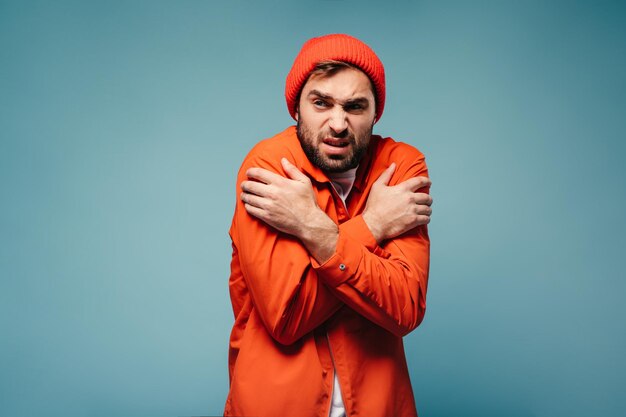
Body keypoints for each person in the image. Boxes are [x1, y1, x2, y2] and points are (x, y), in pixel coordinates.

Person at [224, 34, 433, 417]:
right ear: (297, 109)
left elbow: (404, 308)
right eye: (321, 103)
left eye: (355, 107)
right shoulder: (268, 167)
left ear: (375, 114)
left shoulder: (400, 167)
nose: (338, 124)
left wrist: (311, 229)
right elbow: (287, 318)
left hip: (379, 404)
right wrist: (372, 225)